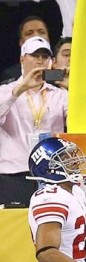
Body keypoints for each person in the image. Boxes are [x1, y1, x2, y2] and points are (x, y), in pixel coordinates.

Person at [0, 36, 68, 208]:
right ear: (22, 59)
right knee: (15, 230)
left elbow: (82, 123)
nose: (40, 61)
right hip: (15, 174)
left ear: (51, 61)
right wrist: (21, 88)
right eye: (34, 56)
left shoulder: (60, 94)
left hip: (51, 174)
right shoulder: (7, 91)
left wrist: (72, 87)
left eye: (44, 57)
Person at [0, 16, 50, 84]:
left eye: (41, 32)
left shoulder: (57, 73)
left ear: (48, 39)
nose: (36, 36)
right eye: (29, 33)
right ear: (21, 43)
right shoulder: (10, 75)